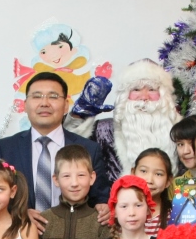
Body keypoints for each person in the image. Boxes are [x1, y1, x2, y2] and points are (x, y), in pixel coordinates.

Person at [0, 71, 109, 231]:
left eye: (53, 97)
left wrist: (104, 207)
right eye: (37, 96)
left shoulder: (89, 149)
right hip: (20, 236)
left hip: (73, 238)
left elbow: (101, 199)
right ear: (25, 105)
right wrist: (19, 214)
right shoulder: (5, 148)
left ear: (66, 105)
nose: (44, 103)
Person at [66, 59, 181, 189]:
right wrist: (79, 115)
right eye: (136, 89)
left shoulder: (180, 132)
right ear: (125, 96)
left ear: (164, 95)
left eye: (152, 89)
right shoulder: (103, 130)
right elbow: (68, 148)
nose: (144, 97)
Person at [40, 144, 111, 239]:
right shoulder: (44, 220)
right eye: (66, 176)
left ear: (92, 178)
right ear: (56, 179)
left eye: (81, 175)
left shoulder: (101, 221)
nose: (74, 183)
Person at [132, 148, 174, 236]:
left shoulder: (173, 214)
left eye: (158, 174)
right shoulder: (123, 211)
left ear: (168, 181)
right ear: (133, 173)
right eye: (143, 171)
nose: (149, 180)